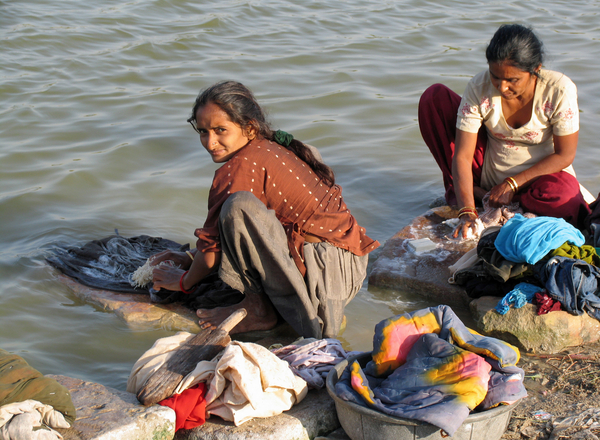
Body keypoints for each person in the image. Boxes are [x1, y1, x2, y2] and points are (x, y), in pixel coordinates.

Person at [149, 81, 379, 339]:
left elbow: (212, 254)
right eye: (203, 131)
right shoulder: (272, 146)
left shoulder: (236, 169)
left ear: (249, 128)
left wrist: (182, 281)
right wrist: (191, 257)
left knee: (237, 207)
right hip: (350, 269)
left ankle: (259, 309)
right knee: (244, 207)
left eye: (220, 130)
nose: (210, 142)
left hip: (325, 281)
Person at [419, 24, 591, 238]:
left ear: (535, 70)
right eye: (495, 77)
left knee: (565, 198)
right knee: (434, 98)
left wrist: (512, 184)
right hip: (489, 172)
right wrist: (467, 212)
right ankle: (478, 194)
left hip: (539, 180)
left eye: (513, 80)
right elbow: (462, 156)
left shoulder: (559, 89)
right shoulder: (478, 87)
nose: (502, 87)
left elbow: (565, 154)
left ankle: (494, 199)